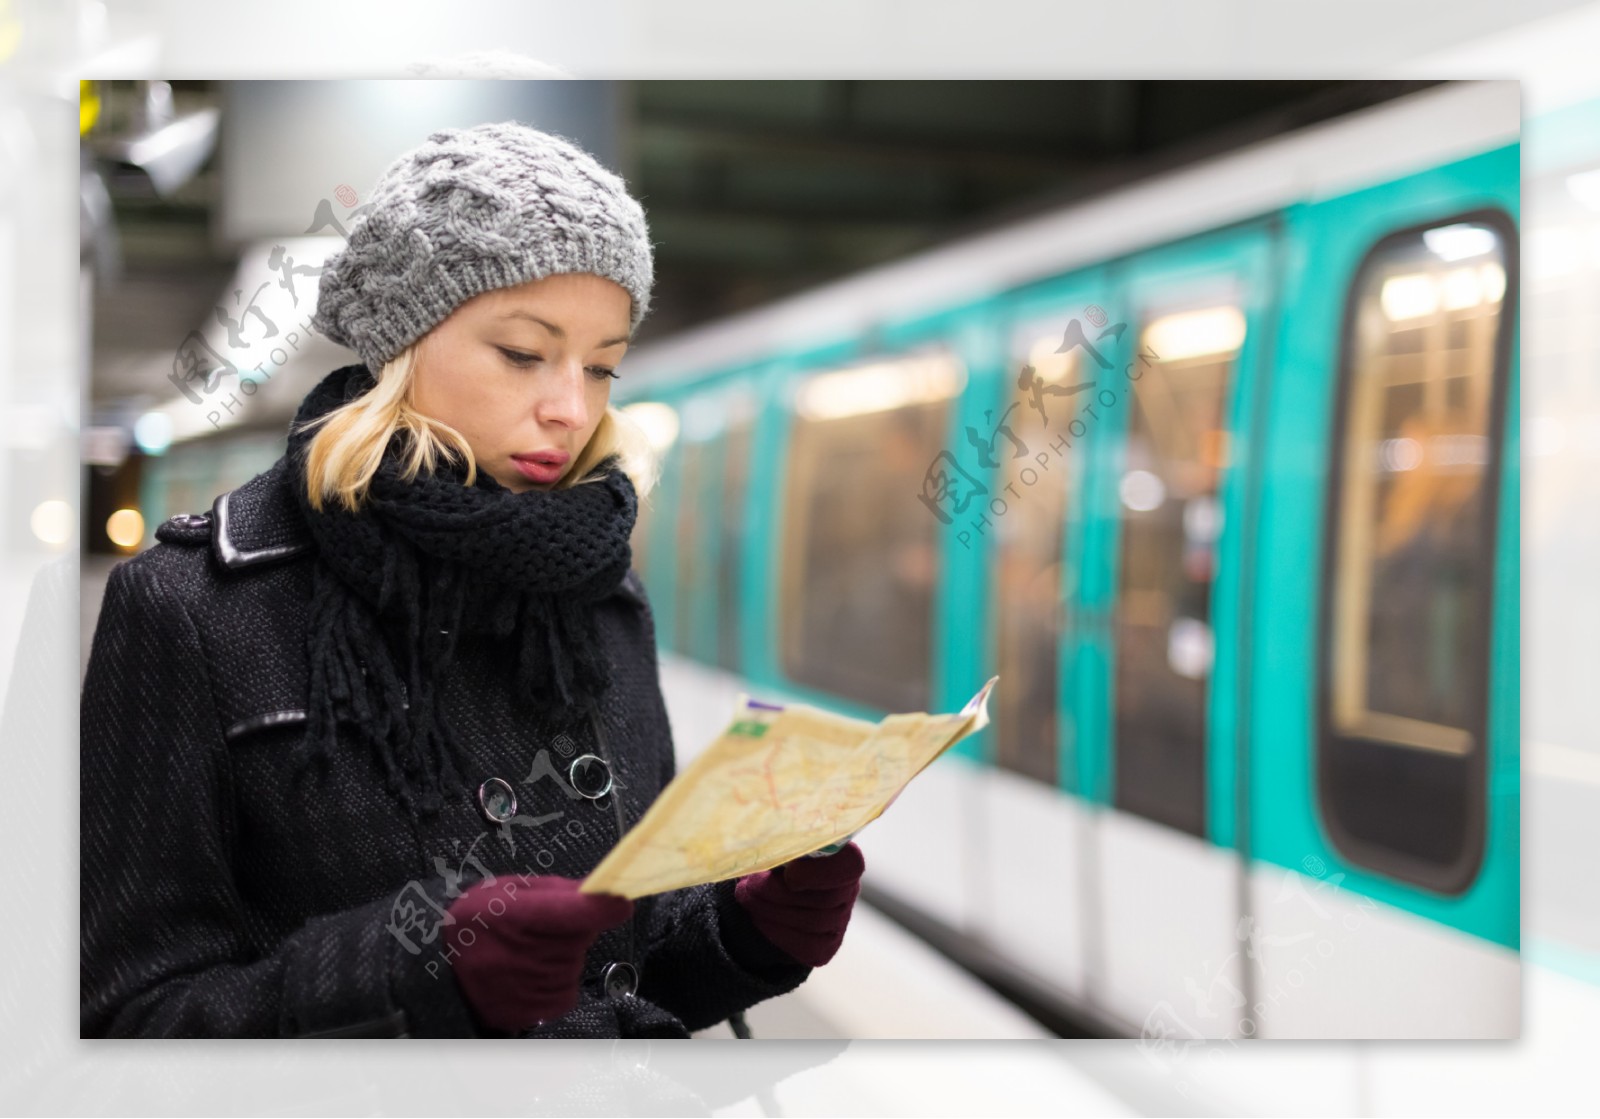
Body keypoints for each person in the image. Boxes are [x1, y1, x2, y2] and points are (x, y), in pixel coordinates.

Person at [79, 121, 866, 1038]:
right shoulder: (191, 609)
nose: (571, 407)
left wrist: (740, 931)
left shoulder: (602, 594)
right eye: (524, 354)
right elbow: (125, 1019)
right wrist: (411, 976)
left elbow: (625, 962)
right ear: (403, 344)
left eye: (603, 366)